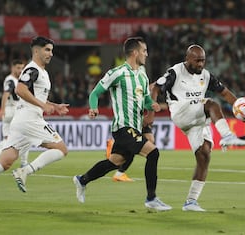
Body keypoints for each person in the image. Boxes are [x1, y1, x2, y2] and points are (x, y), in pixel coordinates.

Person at [0, 36, 70, 211]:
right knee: (61, 149)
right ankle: (25, 171)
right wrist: (42, 106)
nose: (51, 53)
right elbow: (20, 89)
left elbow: (36, 94)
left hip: (22, 120)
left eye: (51, 50)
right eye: (47, 50)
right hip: (30, 119)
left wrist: (54, 106)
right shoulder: (32, 69)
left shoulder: (42, 71)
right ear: (36, 50)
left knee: (5, 161)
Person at [73, 37, 172, 211]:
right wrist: (94, 108)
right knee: (153, 153)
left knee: (114, 162)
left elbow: (146, 100)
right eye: (144, 51)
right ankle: (151, 198)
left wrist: (153, 105)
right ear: (135, 53)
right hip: (122, 127)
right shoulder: (117, 73)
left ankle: (82, 180)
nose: (147, 54)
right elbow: (95, 93)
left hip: (134, 127)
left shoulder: (142, 73)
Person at [151, 44, 245, 212]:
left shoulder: (205, 75)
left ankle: (191, 202)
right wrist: (151, 106)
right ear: (188, 58)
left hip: (197, 120)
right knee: (211, 104)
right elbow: (155, 87)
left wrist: (240, 107)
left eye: (203, 60)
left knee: (204, 154)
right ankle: (227, 135)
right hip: (181, 112)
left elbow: (224, 92)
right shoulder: (175, 72)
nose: (201, 64)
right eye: (197, 61)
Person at [0, 60, 28, 167]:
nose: (20, 70)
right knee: (25, 136)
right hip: (15, 110)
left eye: (22, 68)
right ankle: (24, 162)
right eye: (18, 68)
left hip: (8, 111)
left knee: (7, 138)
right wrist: (2, 109)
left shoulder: (14, 80)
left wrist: (3, 110)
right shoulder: (11, 80)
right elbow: (6, 93)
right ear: (12, 68)